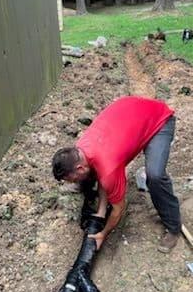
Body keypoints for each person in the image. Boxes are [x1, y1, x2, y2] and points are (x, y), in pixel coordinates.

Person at [52, 96, 182, 252]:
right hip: (131, 113)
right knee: (96, 173)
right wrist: (100, 212)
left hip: (159, 121)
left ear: (80, 168)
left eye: (71, 179)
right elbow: (100, 172)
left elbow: (118, 209)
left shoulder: (108, 168)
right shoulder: (80, 148)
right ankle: (87, 187)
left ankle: (174, 228)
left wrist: (103, 233)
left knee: (155, 175)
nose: (70, 182)